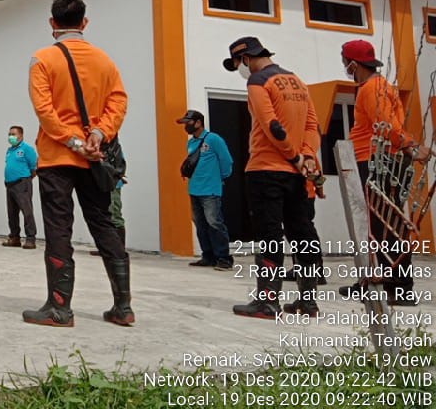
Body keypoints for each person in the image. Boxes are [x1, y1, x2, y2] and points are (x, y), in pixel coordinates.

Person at [23, 0, 131, 328]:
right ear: (84, 22)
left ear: (52, 23)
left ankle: (59, 308)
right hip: (95, 158)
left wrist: (73, 141)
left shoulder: (42, 59)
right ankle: (123, 307)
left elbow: (44, 111)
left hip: (57, 158)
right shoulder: (104, 61)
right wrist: (97, 136)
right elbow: (119, 103)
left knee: (59, 229)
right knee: (104, 226)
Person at [223, 36, 323, 319]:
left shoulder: (257, 82)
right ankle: (308, 301)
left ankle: (267, 301)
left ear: (245, 58)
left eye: (237, 64)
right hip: (295, 174)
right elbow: (313, 125)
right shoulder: (298, 82)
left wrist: (292, 155)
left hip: (266, 169)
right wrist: (304, 157)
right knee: (302, 234)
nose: (240, 70)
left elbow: (272, 126)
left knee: (270, 235)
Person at [338, 39, 431, 306]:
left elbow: (385, 125)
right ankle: (374, 281)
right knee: (376, 226)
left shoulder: (371, 88)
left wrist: (411, 146)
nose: (345, 66)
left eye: (345, 62)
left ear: (354, 64)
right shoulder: (379, 86)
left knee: (384, 226)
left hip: (377, 160)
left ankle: (397, 286)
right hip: (380, 159)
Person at [177, 109, 234, 271]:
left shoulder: (214, 139)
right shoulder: (191, 143)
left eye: (188, 123)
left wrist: (221, 177)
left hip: (211, 190)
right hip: (194, 189)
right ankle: (208, 255)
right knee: (200, 224)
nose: (186, 126)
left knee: (214, 222)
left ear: (198, 122)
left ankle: (224, 257)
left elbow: (226, 161)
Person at [2, 125, 38, 249]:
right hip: (10, 185)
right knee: (12, 213)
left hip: (22, 184)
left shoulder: (27, 149)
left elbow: (34, 167)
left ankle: (30, 238)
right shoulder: (9, 150)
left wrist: (26, 179)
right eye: (9, 134)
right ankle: (14, 237)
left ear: (21, 136)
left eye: (13, 134)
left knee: (26, 211)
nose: (10, 136)